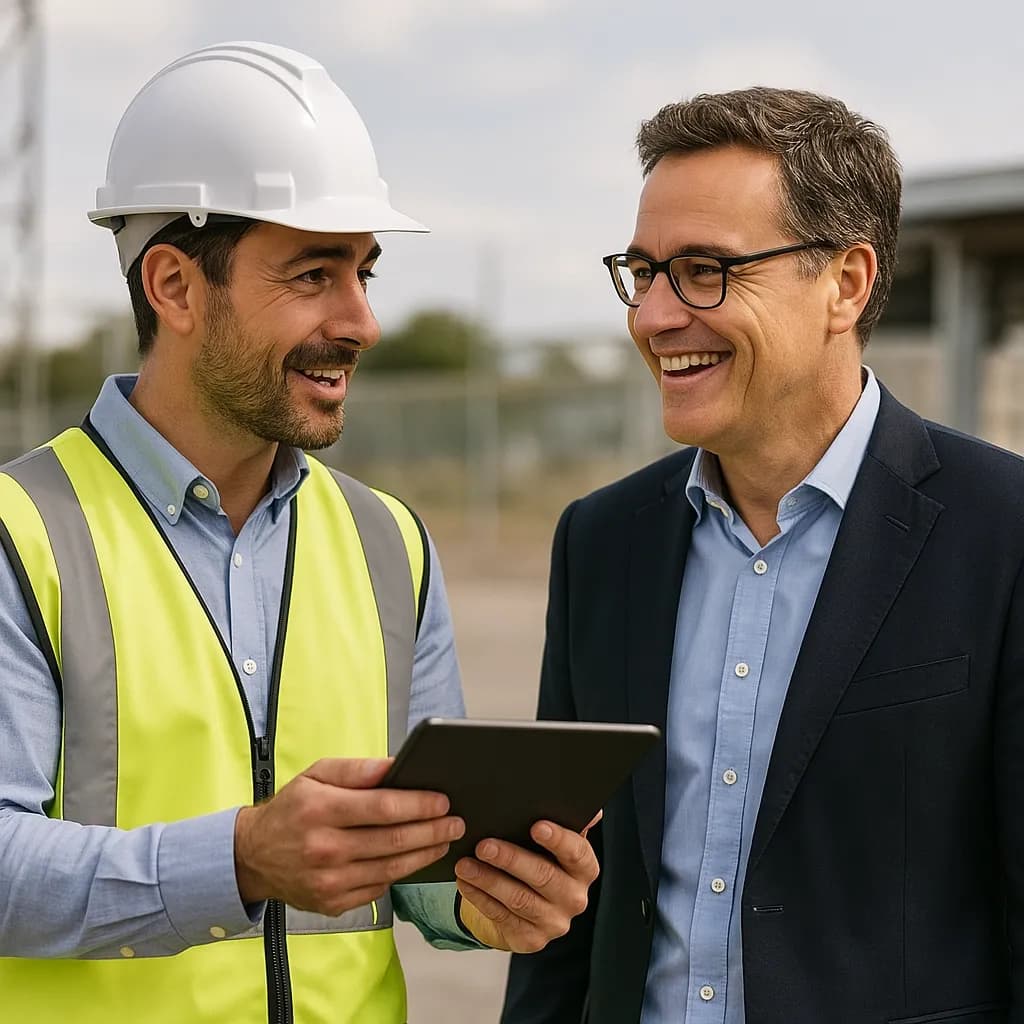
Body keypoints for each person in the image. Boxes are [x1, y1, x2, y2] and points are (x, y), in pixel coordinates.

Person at [0, 42, 598, 1024]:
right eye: (314, 273)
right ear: (175, 287)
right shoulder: (23, 535)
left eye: (364, 270)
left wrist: (490, 897)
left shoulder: (386, 542)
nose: (360, 318)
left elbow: (418, 869)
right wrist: (236, 856)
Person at [502, 86, 1024, 1024]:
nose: (657, 315)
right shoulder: (600, 542)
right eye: (644, 269)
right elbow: (565, 914)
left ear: (847, 283)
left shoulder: (1007, 533)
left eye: (704, 269)